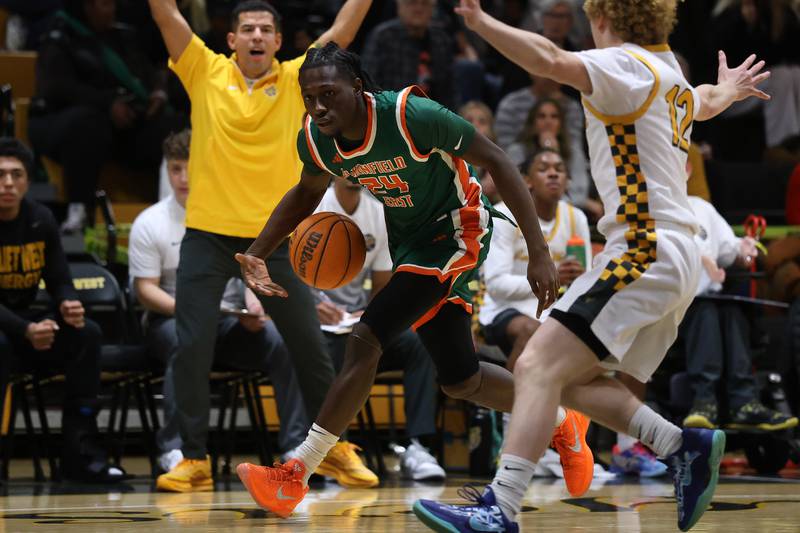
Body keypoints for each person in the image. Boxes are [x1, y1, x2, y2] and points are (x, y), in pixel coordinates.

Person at [413, 1, 771, 531]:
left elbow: (548, 58)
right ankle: (680, 445)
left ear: (602, 18)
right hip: (674, 259)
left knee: (534, 365)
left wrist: (481, 21)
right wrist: (729, 89)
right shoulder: (667, 71)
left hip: (643, 249)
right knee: (570, 379)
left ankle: (499, 508)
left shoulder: (622, 68)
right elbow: (705, 102)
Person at [232, 42, 590, 520]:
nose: (318, 107)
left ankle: (294, 475)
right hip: (412, 246)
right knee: (460, 380)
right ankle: (562, 423)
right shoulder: (317, 139)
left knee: (367, 338)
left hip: (458, 231)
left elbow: (501, 162)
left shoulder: (410, 115)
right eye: (309, 97)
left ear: (357, 88)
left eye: (328, 95)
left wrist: (539, 252)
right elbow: (306, 193)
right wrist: (257, 251)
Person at [145, 0, 374, 490]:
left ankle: (333, 450)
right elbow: (167, 16)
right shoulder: (203, 70)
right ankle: (194, 459)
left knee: (311, 347)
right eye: (246, 28)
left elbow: (345, 28)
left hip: (277, 238)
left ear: (278, 40)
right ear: (231, 40)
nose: (255, 36)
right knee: (191, 347)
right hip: (207, 234)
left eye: (265, 30)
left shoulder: (298, 77)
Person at [127, 130, 310, 487]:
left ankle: (294, 449)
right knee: (188, 339)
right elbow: (144, 290)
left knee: (280, 339)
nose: (182, 178)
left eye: (189, 169)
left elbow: (249, 271)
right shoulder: (150, 222)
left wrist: (255, 303)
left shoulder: (231, 217)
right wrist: (193, 309)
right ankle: (178, 450)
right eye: (175, 169)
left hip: (227, 321)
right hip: (169, 319)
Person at [0, 137, 124, 482]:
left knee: (87, 335)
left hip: (26, 328)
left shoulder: (40, 219)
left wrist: (67, 304)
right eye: (1, 175)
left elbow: (59, 280)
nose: (8, 183)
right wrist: (25, 330)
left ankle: (80, 455)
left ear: (27, 180)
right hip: (11, 331)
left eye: (16, 174)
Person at [313, 177, 445, 482]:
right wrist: (314, 307)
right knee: (330, 350)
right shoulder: (317, 207)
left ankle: (417, 446)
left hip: (356, 322)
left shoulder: (378, 212)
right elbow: (292, 274)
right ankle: (331, 448)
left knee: (418, 342)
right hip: (318, 323)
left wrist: (368, 313)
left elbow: (382, 283)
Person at [29, 0, 184, 233]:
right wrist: (107, 103)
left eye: (112, 4)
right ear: (87, 7)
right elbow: (56, 89)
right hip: (64, 125)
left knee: (177, 128)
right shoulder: (60, 36)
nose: (111, 10)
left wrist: (159, 92)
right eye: (103, 4)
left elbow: (148, 73)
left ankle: (176, 210)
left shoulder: (123, 36)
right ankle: (79, 210)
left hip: (123, 127)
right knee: (88, 124)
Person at [681, 196, 798, 432]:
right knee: (705, 311)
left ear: (688, 169)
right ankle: (704, 401)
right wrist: (702, 259)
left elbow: (730, 249)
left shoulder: (702, 208)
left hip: (711, 298)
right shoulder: (652, 206)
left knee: (731, 309)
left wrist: (742, 249)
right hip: (676, 305)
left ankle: (744, 401)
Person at [480, 148, 590, 371]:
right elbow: (496, 285)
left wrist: (576, 278)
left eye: (559, 170)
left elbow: (585, 280)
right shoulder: (504, 215)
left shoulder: (575, 217)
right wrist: (552, 278)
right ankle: (511, 404)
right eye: (543, 169)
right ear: (527, 180)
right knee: (533, 331)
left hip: (557, 311)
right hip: (503, 310)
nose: (553, 174)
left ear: (568, 181)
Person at [361, 0, 457, 109]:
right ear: (399, 6)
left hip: (433, 116)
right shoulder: (383, 37)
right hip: (391, 112)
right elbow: (368, 85)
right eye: (412, 3)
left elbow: (449, 90)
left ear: (433, 9)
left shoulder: (441, 39)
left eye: (425, 3)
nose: (418, 9)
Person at [506, 97, 591, 209]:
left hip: (567, 211)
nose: (548, 121)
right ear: (533, 124)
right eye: (542, 116)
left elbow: (580, 194)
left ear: (561, 125)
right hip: (526, 211)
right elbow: (514, 191)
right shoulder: (516, 151)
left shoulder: (574, 153)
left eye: (554, 116)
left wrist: (554, 153)